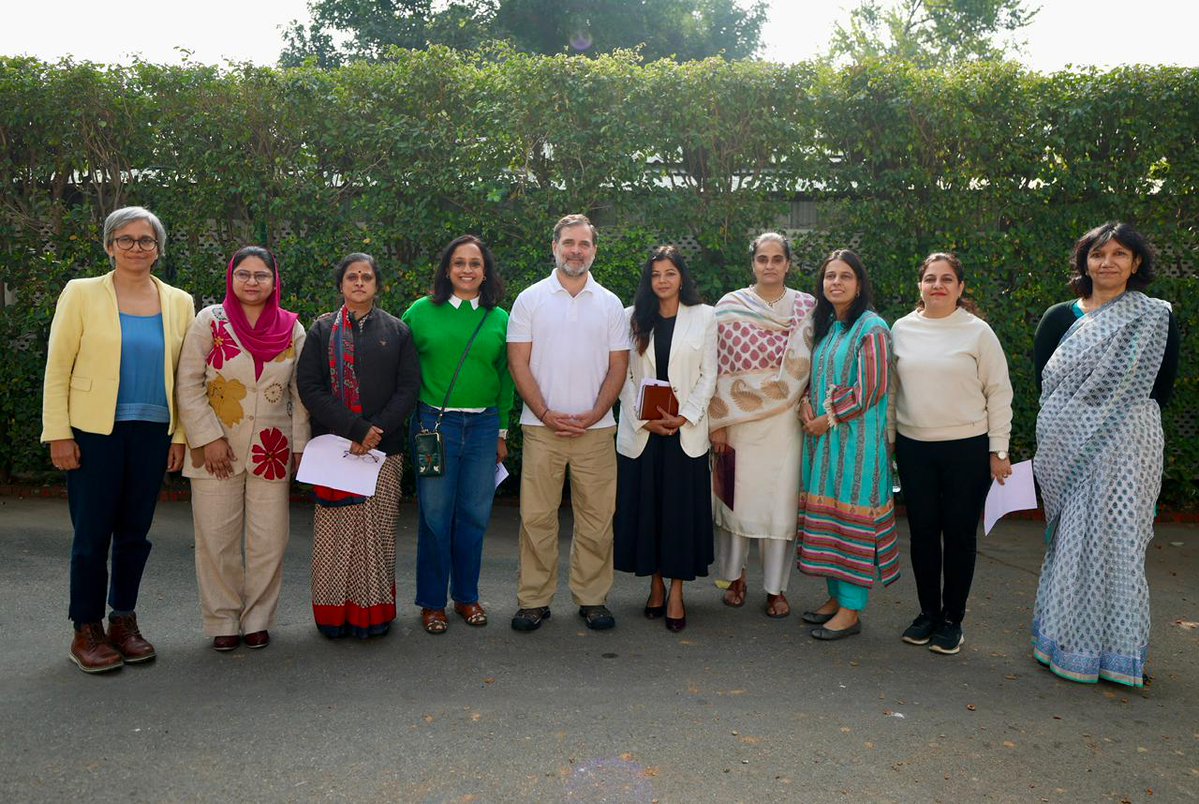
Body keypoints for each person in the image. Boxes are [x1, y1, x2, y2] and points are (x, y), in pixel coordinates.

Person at [41, 206, 195, 674]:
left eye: (145, 240)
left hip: (153, 433)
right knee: (91, 535)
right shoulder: (82, 293)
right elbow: (58, 367)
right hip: (93, 432)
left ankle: (122, 621)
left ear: (158, 249)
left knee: (134, 535)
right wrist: (59, 433)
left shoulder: (179, 302)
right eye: (125, 240)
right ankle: (85, 628)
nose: (135, 248)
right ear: (109, 246)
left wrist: (181, 436)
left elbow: (186, 376)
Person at [1031, 222, 1179, 687]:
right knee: (1072, 544)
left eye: (1119, 254)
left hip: (1129, 449)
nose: (1108, 262)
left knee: (1119, 546)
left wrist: (1108, 424)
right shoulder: (1060, 317)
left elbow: (1160, 388)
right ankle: (1061, 643)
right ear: (1085, 261)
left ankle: (1117, 654)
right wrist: (1081, 427)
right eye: (1098, 253)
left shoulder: (1154, 317)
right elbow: (1048, 388)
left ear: (1136, 263)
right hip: (1069, 447)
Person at [176, 246, 309, 652]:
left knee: (270, 539)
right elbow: (188, 382)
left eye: (261, 275)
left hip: (273, 447)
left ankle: (257, 619)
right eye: (244, 274)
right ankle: (222, 619)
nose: (252, 282)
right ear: (232, 278)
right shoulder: (209, 321)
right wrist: (207, 438)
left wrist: (301, 447)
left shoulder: (291, 328)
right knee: (216, 539)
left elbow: (301, 393)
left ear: (274, 281)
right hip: (216, 448)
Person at [506, 214, 629, 632]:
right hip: (542, 429)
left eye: (584, 244)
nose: (576, 250)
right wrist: (544, 412)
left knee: (597, 519)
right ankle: (534, 600)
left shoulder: (611, 303)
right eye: (569, 243)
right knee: (537, 518)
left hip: (596, 431)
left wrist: (596, 413)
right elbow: (518, 363)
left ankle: (592, 598)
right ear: (554, 246)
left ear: (594, 250)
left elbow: (618, 366)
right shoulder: (530, 299)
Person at [891, 252, 1013, 655]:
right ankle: (928, 614)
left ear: (960, 288)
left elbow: (998, 391)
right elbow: (892, 391)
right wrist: (890, 441)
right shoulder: (901, 329)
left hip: (967, 449)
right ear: (920, 286)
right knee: (923, 533)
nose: (937, 285)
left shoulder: (978, 332)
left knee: (958, 535)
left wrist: (999, 450)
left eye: (946, 279)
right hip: (913, 447)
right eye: (930, 278)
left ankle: (952, 619)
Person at [296, 253, 420, 638]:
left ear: (377, 285)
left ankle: (374, 615)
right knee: (336, 539)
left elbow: (408, 389)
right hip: (336, 449)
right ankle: (334, 619)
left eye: (367, 276)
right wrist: (353, 428)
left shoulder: (397, 331)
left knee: (378, 534)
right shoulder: (320, 331)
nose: (360, 282)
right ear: (341, 284)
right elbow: (310, 387)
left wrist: (375, 430)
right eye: (352, 276)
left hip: (385, 451)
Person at [401, 235, 514, 635]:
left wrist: (501, 431)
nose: (467, 270)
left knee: (474, 516)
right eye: (459, 263)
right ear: (447, 269)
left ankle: (466, 597)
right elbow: (402, 368)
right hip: (436, 426)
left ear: (486, 272)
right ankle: (432, 603)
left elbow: (505, 378)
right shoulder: (420, 312)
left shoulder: (499, 318)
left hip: (484, 428)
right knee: (434, 517)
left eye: (475, 264)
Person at [709, 232, 815, 618]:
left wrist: (809, 404)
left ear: (788, 264)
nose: (769, 265)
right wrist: (715, 423)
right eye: (762, 259)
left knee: (779, 507)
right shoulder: (729, 306)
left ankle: (775, 588)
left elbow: (815, 368)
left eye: (776, 259)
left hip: (786, 425)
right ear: (752, 263)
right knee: (734, 504)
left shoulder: (808, 307)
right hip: (736, 420)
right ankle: (734, 576)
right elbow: (715, 367)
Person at [614, 246, 718, 632]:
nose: (662, 280)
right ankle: (654, 585)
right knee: (648, 514)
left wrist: (685, 416)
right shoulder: (631, 318)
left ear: (681, 277)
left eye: (669, 273)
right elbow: (621, 377)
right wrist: (644, 420)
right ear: (648, 279)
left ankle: (676, 591)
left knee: (679, 516)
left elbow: (710, 374)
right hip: (644, 435)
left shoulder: (705, 316)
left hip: (684, 434)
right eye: (656, 274)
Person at [797, 249, 897, 640]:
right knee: (830, 518)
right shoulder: (830, 328)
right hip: (825, 444)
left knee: (851, 517)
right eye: (829, 276)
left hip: (856, 446)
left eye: (845, 276)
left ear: (859, 284)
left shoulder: (872, 328)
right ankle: (837, 599)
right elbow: (817, 375)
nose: (835, 282)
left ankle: (852, 611)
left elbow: (871, 389)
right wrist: (807, 406)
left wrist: (828, 418)